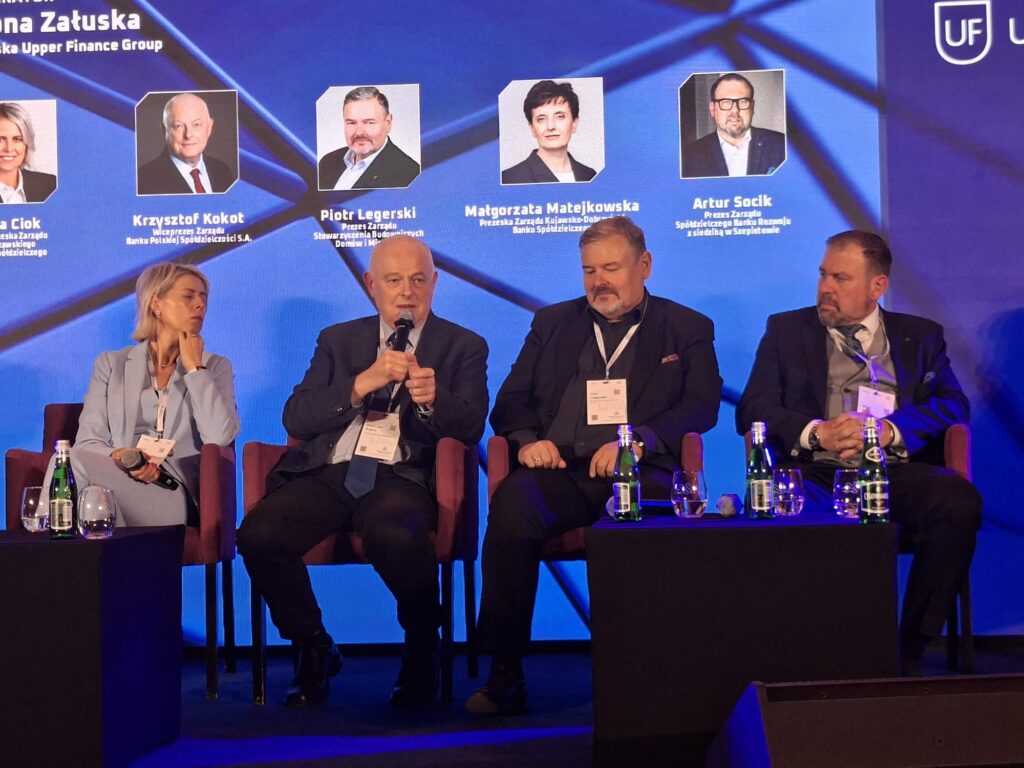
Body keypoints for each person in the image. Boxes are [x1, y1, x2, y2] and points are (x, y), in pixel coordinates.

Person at [468, 216, 722, 714]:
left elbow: (701, 407)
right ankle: (504, 673)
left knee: (649, 521)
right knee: (513, 506)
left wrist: (639, 441)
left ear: (644, 265)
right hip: (560, 471)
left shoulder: (686, 327)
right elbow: (511, 400)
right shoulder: (552, 323)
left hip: (640, 472)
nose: (598, 281)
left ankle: (652, 673)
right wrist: (527, 442)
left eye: (611, 268)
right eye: (589, 271)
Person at [237, 235, 488, 709]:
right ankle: (313, 644)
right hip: (332, 472)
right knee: (259, 533)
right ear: (372, 285)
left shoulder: (463, 346)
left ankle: (423, 643)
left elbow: (471, 426)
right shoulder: (338, 340)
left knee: (394, 534)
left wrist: (434, 402)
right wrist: (361, 383)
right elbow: (296, 418)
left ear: (435, 283)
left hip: (402, 475)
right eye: (394, 281)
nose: (407, 292)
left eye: (418, 280)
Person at [736, 230, 982, 676]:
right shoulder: (787, 330)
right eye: (823, 275)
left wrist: (890, 431)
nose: (825, 288)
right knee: (784, 515)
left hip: (892, 472)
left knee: (957, 502)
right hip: (816, 471)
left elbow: (953, 404)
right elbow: (753, 408)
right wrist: (818, 434)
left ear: (877, 286)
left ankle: (911, 646)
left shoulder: (919, 336)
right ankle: (803, 655)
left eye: (841, 278)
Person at [40, 262, 240, 526]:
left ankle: (41, 535)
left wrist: (195, 368)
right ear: (156, 303)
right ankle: (100, 550)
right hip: (119, 479)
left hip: (174, 491)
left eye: (203, 297)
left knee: (69, 463)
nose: (200, 305)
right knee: (90, 494)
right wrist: (125, 457)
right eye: (188, 296)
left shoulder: (214, 366)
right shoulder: (112, 364)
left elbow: (219, 436)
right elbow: (87, 443)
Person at [681, 72, 785, 178]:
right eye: (725, 102)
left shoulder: (783, 146)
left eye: (743, 101)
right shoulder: (687, 158)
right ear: (713, 109)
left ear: (752, 107)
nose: (735, 110)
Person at [318, 87, 421, 190]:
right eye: (351, 123)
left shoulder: (409, 174)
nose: (359, 132)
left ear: (388, 123)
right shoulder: (327, 162)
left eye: (369, 123)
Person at [137, 92, 236, 195]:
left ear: (209, 127)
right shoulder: (144, 179)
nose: (188, 135)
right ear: (164, 130)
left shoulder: (222, 170)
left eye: (196, 124)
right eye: (179, 126)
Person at [501, 80, 597, 185]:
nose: (550, 126)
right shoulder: (509, 178)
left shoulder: (590, 175)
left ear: (574, 123)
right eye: (541, 119)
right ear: (532, 128)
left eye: (560, 117)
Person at [0, 102, 56, 204]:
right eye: (1, 139)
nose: (9, 148)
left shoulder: (51, 185)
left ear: (27, 143)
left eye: (17, 139)